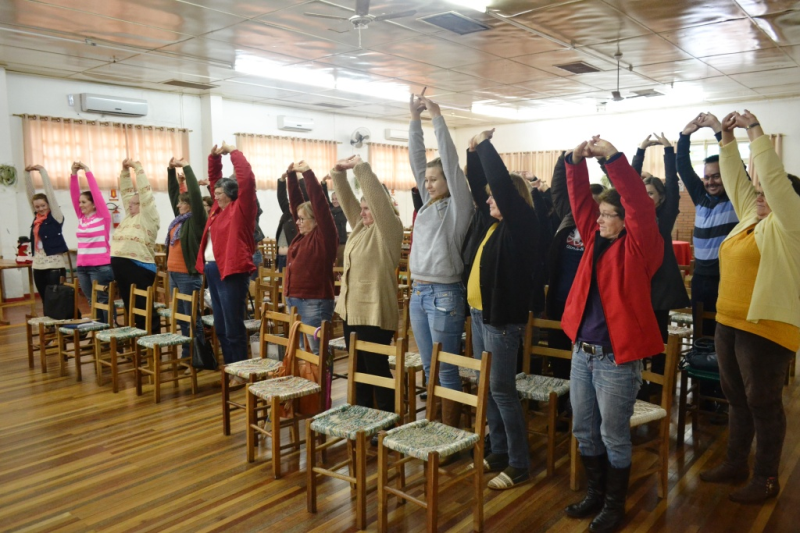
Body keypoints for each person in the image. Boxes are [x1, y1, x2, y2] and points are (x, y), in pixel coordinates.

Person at [562, 136, 664, 533]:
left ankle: (614, 506)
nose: (600, 219)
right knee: (583, 428)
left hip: (615, 359)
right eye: (600, 214)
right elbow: (579, 204)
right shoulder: (594, 240)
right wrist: (574, 163)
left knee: (613, 434)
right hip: (582, 353)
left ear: (624, 219)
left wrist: (614, 160)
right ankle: (596, 494)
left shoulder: (640, 247)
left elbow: (640, 203)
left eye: (608, 215)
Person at [699, 110, 800, 503]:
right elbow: (736, 179)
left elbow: (772, 179)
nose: (759, 196)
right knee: (736, 396)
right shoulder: (749, 220)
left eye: (767, 194)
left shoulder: (790, 227)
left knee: (763, 402)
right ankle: (735, 463)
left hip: (765, 326)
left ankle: (765, 478)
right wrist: (723, 137)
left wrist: (755, 130)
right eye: (758, 194)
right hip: (730, 321)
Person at [463, 128, 540, 490]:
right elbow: (481, 186)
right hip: (482, 317)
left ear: (511, 200)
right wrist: (471, 153)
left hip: (501, 323)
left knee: (502, 390)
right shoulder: (493, 225)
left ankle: (519, 462)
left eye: (496, 198)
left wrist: (487, 147)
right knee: (487, 386)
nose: (489, 201)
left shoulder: (522, 226)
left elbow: (499, 186)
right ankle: (499, 449)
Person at [407, 94, 473, 429]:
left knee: (445, 369)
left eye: (435, 179)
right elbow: (417, 161)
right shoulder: (429, 204)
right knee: (430, 367)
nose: (428, 184)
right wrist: (413, 120)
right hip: (419, 293)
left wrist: (436, 118)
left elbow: (448, 159)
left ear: (450, 180)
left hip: (445, 295)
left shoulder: (459, 206)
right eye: (427, 180)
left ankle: (450, 436)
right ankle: (436, 429)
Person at [331, 154, 403, 415]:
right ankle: (363, 416)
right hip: (353, 312)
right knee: (358, 369)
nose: (362, 213)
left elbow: (378, 201)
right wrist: (338, 174)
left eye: (367, 208)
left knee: (376, 369)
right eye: (361, 209)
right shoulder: (361, 228)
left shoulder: (389, 229)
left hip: (374, 313)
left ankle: (385, 418)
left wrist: (361, 168)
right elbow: (349, 203)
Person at [632, 133, 691, 396]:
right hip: (635, 285)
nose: (646, 197)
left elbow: (672, 182)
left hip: (659, 288)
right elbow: (627, 183)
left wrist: (669, 150)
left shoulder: (664, 217)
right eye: (642, 193)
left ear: (661, 198)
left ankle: (655, 383)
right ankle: (634, 378)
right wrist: (640, 149)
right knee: (635, 333)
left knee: (657, 337)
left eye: (651, 193)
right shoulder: (632, 217)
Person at [196, 141, 257, 377]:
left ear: (231, 194)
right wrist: (213, 158)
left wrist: (233, 152)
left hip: (232, 272)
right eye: (215, 193)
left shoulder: (241, 208)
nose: (216, 196)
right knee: (220, 325)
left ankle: (240, 371)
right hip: (213, 270)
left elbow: (247, 180)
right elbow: (214, 179)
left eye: (220, 194)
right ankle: (231, 368)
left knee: (233, 326)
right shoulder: (217, 209)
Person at [677, 113, 739, 334]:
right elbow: (683, 167)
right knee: (700, 332)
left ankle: (722, 369)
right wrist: (684, 136)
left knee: (723, 332)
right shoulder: (701, 196)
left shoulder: (737, 197)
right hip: (701, 277)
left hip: (728, 276)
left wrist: (715, 126)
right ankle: (697, 365)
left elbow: (734, 162)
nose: (710, 181)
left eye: (717, 176)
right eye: (707, 177)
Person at [283, 160, 338, 354]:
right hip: (295, 300)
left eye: (302, 219)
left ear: (316, 220)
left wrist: (307, 174)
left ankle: (323, 385)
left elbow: (320, 204)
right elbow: (295, 203)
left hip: (315, 302)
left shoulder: (324, 236)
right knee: (299, 350)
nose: (297, 222)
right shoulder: (301, 236)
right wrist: (291, 177)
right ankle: (306, 384)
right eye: (297, 218)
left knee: (317, 351)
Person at [110, 158, 161, 334]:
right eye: (130, 204)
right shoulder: (129, 216)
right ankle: (137, 336)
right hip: (122, 266)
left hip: (138, 266)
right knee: (130, 306)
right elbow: (125, 193)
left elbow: (145, 193)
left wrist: (137, 168)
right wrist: (124, 171)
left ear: (143, 205)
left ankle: (151, 338)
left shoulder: (148, 216)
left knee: (143, 306)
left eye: (134, 204)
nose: (130, 206)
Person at [166, 157, 208, 359]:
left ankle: (199, 354)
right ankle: (187, 351)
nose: (178, 204)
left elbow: (195, 194)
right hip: (173, 274)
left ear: (190, 206)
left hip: (187, 275)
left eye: (182, 203)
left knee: (191, 317)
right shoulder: (179, 220)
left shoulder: (197, 220)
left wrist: (187, 168)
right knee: (181, 317)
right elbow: (173, 193)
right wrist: (170, 171)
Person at [70, 161, 114, 321]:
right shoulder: (82, 218)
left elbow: (96, 193)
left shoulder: (103, 217)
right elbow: (74, 195)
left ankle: (111, 333)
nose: (80, 205)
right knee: (91, 301)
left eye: (84, 202)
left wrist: (87, 172)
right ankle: (99, 333)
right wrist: (73, 174)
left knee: (103, 300)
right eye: (80, 202)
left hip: (100, 267)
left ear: (94, 205)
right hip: (83, 267)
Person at [23, 165, 69, 308]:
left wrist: (42, 172)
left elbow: (50, 194)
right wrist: (26, 174)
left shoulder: (56, 216)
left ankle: (62, 323)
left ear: (48, 205)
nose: (41, 209)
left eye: (43, 205)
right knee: (44, 298)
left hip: (54, 264)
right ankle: (50, 324)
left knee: (56, 297)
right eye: (37, 207)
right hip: (38, 264)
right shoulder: (36, 218)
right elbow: (30, 194)